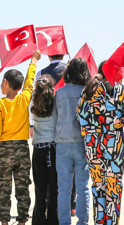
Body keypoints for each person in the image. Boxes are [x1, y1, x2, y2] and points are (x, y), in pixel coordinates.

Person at [0, 50, 41, 225]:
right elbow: (30, 83)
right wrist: (33, 62)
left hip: (3, 150)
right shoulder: (24, 99)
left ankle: (4, 222)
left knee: (3, 190)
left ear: (5, 83)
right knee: (23, 189)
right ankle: (21, 221)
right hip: (21, 149)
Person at [78, 62, 124, 225]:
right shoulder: (122, 91)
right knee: (113, 186)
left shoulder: (88, 91)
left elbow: (80, 116)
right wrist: (114, 124)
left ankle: (99, 221)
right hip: (114, 145)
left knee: (98, 186)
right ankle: (112, 222)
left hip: (93, 145)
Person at [55, 58, 91, 225]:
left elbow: (56, 117)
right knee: (83, 185)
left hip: (62, 142)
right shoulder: (88, 91)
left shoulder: (60, 92)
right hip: (83, 143)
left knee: (63, 187)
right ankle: (82, 222)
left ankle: (64, 222)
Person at [31, 75, 58, 225]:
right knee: (53, 189)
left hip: (38, 149)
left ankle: (38, 221)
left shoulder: (34, 103)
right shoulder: (55, 103)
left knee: (40, 190)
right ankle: (54, 220)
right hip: (53, 149)